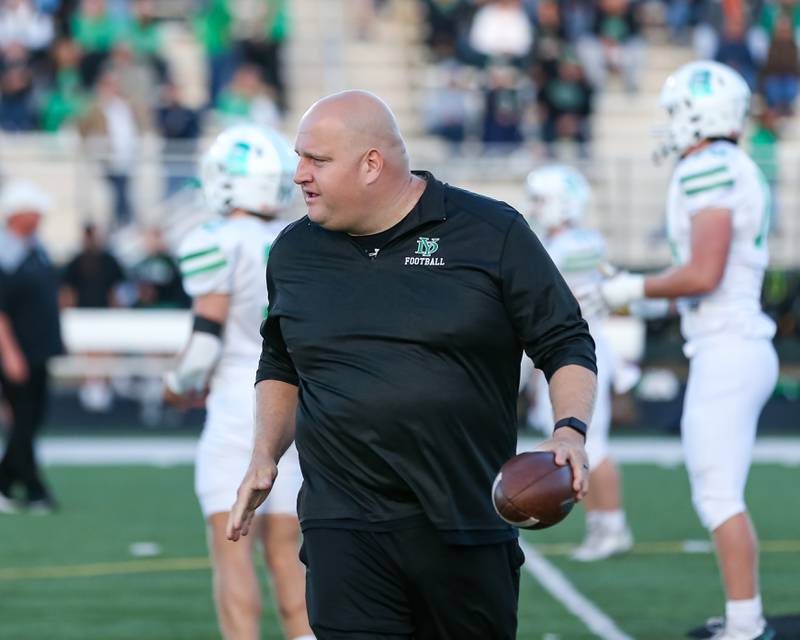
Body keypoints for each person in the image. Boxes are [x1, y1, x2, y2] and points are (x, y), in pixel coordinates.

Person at [228, 90, 597, 639]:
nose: (298, 174)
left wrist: (569, 431)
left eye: (317, 160)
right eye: (300, 157)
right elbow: (281, 362)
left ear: (371, 163)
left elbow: (564, 339)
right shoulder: (293, 251)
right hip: (342, 520)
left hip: (465, 516)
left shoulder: (490, 231)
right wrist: (264, 454)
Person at [592, 61, 778, 640]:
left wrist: (631, 286)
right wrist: (648, 297)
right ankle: (744, 619)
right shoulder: (726, 164)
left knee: (717, 495)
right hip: (729, 343)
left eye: (676, 110)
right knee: (719, 492)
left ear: (701, 112)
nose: (670, 122)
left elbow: (702, 273)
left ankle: (745, 626)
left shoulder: (708, 166)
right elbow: (704, 284)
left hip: (730, 349)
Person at [163, 125, 312, 640]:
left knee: (233, 551)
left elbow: (205, 342)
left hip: (236, 408)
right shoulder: (301, 238)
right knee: (290, 556)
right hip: (296, 407)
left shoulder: (214, 240)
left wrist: (175, 384)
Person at [524, 164, 633, 561]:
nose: (534, 208)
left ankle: (611, 526)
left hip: (578, 352)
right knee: (587, 442)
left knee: (594, 445)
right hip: (580, 348)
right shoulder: (581, 241)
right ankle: (606, 525)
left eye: (541, 200)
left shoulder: (564, 247)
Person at [0, 180, 63, 514]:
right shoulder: (5, 253)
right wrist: (10, 354)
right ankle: (34, 488)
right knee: (23, 420)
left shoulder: (34, 248)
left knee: (32, 420)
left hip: (38, 350)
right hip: (17, 353)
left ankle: (9, 483)